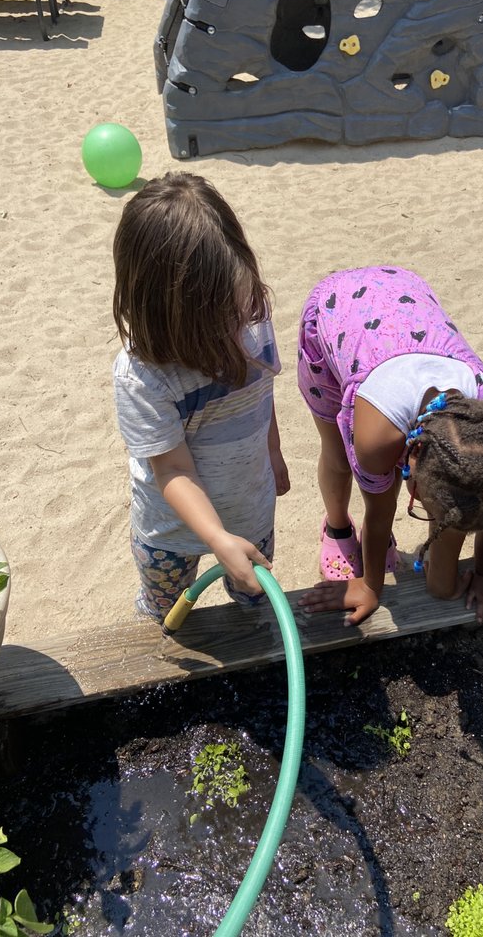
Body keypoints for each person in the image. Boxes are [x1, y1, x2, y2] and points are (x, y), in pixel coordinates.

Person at [296, 265, 483, 627]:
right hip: (337, 314)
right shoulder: (375, 440)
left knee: (464, 490)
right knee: (337, 457)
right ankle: (337, 527)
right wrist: (370, 585)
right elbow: (379, 515)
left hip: (407, 302)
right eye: (427, 507)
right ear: (411, 459)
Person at [112, 171, 290, 624]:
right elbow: (171, 468)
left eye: (246, 300)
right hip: (170, 531)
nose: (243, 321)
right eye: (224, 314)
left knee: (254, 604)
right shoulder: (144, 378)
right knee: (164, 614)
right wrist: (215, 537)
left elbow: (262, 395)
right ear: (172, 313)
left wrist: (274, 453)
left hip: (250, 506)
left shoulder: (253, 317)